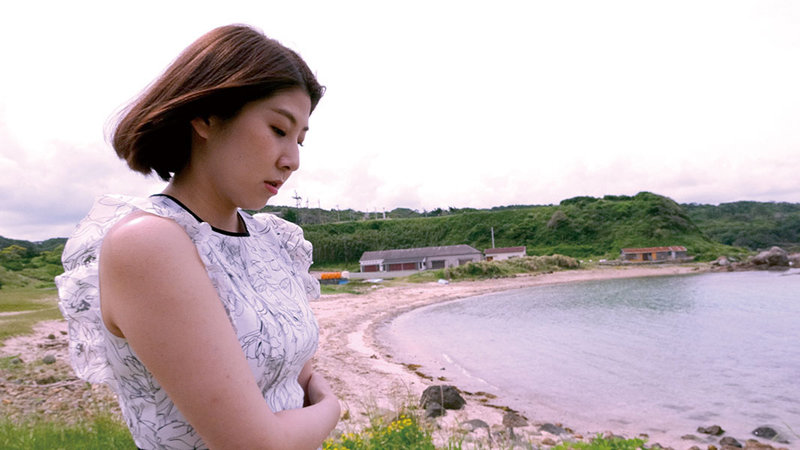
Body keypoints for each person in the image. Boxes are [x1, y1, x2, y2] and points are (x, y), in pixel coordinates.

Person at [55, 24, 340, 449]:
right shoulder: (150, 244)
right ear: (207, 116)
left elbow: (298, 376)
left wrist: (305, 412)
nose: (292, 160)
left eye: (300, 140)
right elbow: (258, 444)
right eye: (279, 130)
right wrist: (333, 409)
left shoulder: (274, 240)